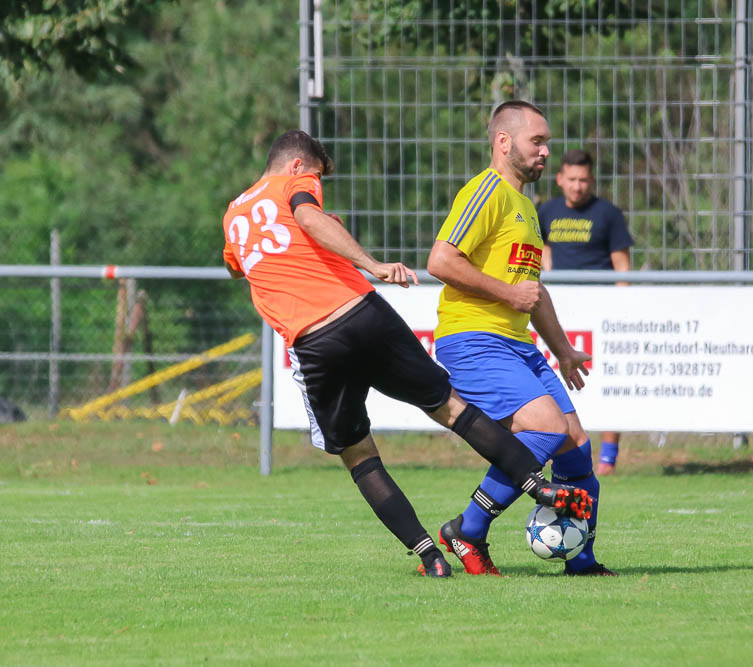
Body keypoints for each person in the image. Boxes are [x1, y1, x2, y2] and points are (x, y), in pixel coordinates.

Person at [222, 130, 591, 579]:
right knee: (451, 408)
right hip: (362, 313)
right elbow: (306, 216)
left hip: (314, 342)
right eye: (317, 176)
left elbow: (236, 265)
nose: (317, 186)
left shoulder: (234, 213)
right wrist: (371, 263)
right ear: (297, 165)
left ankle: (430, 557)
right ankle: (537, 486)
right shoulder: (296, 184)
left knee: (359, 456)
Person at [427, 101, 616, 577]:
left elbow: (533, 291)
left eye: (547, 142)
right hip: (472, 338)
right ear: (503, 142)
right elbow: (441, 261)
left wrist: (564, 351)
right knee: (547, 427)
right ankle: (468, 529)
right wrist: (508, 293)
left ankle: (582, 561)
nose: (546, 151)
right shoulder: (486, 191)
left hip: (517, 344)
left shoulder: (527, 208)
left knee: (576, 447)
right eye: (537, 141)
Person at [538, 149, 634, 475]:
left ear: (591, 180)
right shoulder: (546, 211)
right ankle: (561, 450)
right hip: (559, 312)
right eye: (571, 179)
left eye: (583, 180)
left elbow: (622, 266)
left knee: (608, 379)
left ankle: (608, 458)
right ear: (559, 179)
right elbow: (542, 249)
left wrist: (620, 308)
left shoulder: (608, 214)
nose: (577, 186)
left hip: (601, 311)